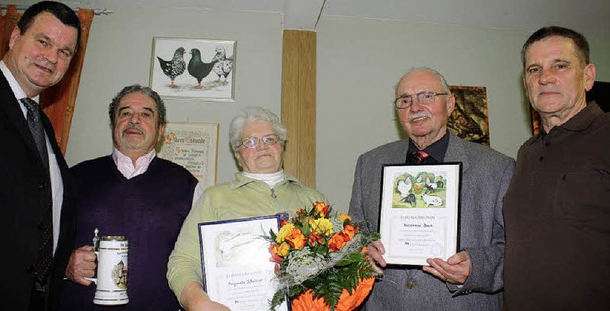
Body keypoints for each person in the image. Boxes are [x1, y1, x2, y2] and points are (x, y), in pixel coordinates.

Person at [348, 67, 515, 310]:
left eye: (426, 96)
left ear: (450, 104)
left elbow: (517, 248)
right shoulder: (370, 163)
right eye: (405, 100)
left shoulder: (497, 167)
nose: (415, 108)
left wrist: (476, 268)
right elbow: (355, 230)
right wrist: (362, 249)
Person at [503, 26, 610, 310]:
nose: (545, 78)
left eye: (560, 66)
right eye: (534, 69)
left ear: (588, 76)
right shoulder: (526, 152)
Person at [167, 106, 326, 311]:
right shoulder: (214, 199)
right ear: (238, 155)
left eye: (270, 139)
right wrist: (196, 301)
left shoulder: (314, 199)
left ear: (281, 146)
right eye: (250, 142)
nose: (262, 146)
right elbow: (183, 261)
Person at [59, 84, 203, 311]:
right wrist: (64, 265)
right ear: (113, 124)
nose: (134, 120)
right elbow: (38, 246)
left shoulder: (188, 186)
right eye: (125, 113)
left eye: (146, 114)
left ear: (160, 130)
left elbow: (200, 261)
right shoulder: (71, 178)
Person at [0, 2, 81, 310]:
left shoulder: (41, 124)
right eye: (43, 41)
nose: (51, 57)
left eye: (64, 52)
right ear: (14, 38)